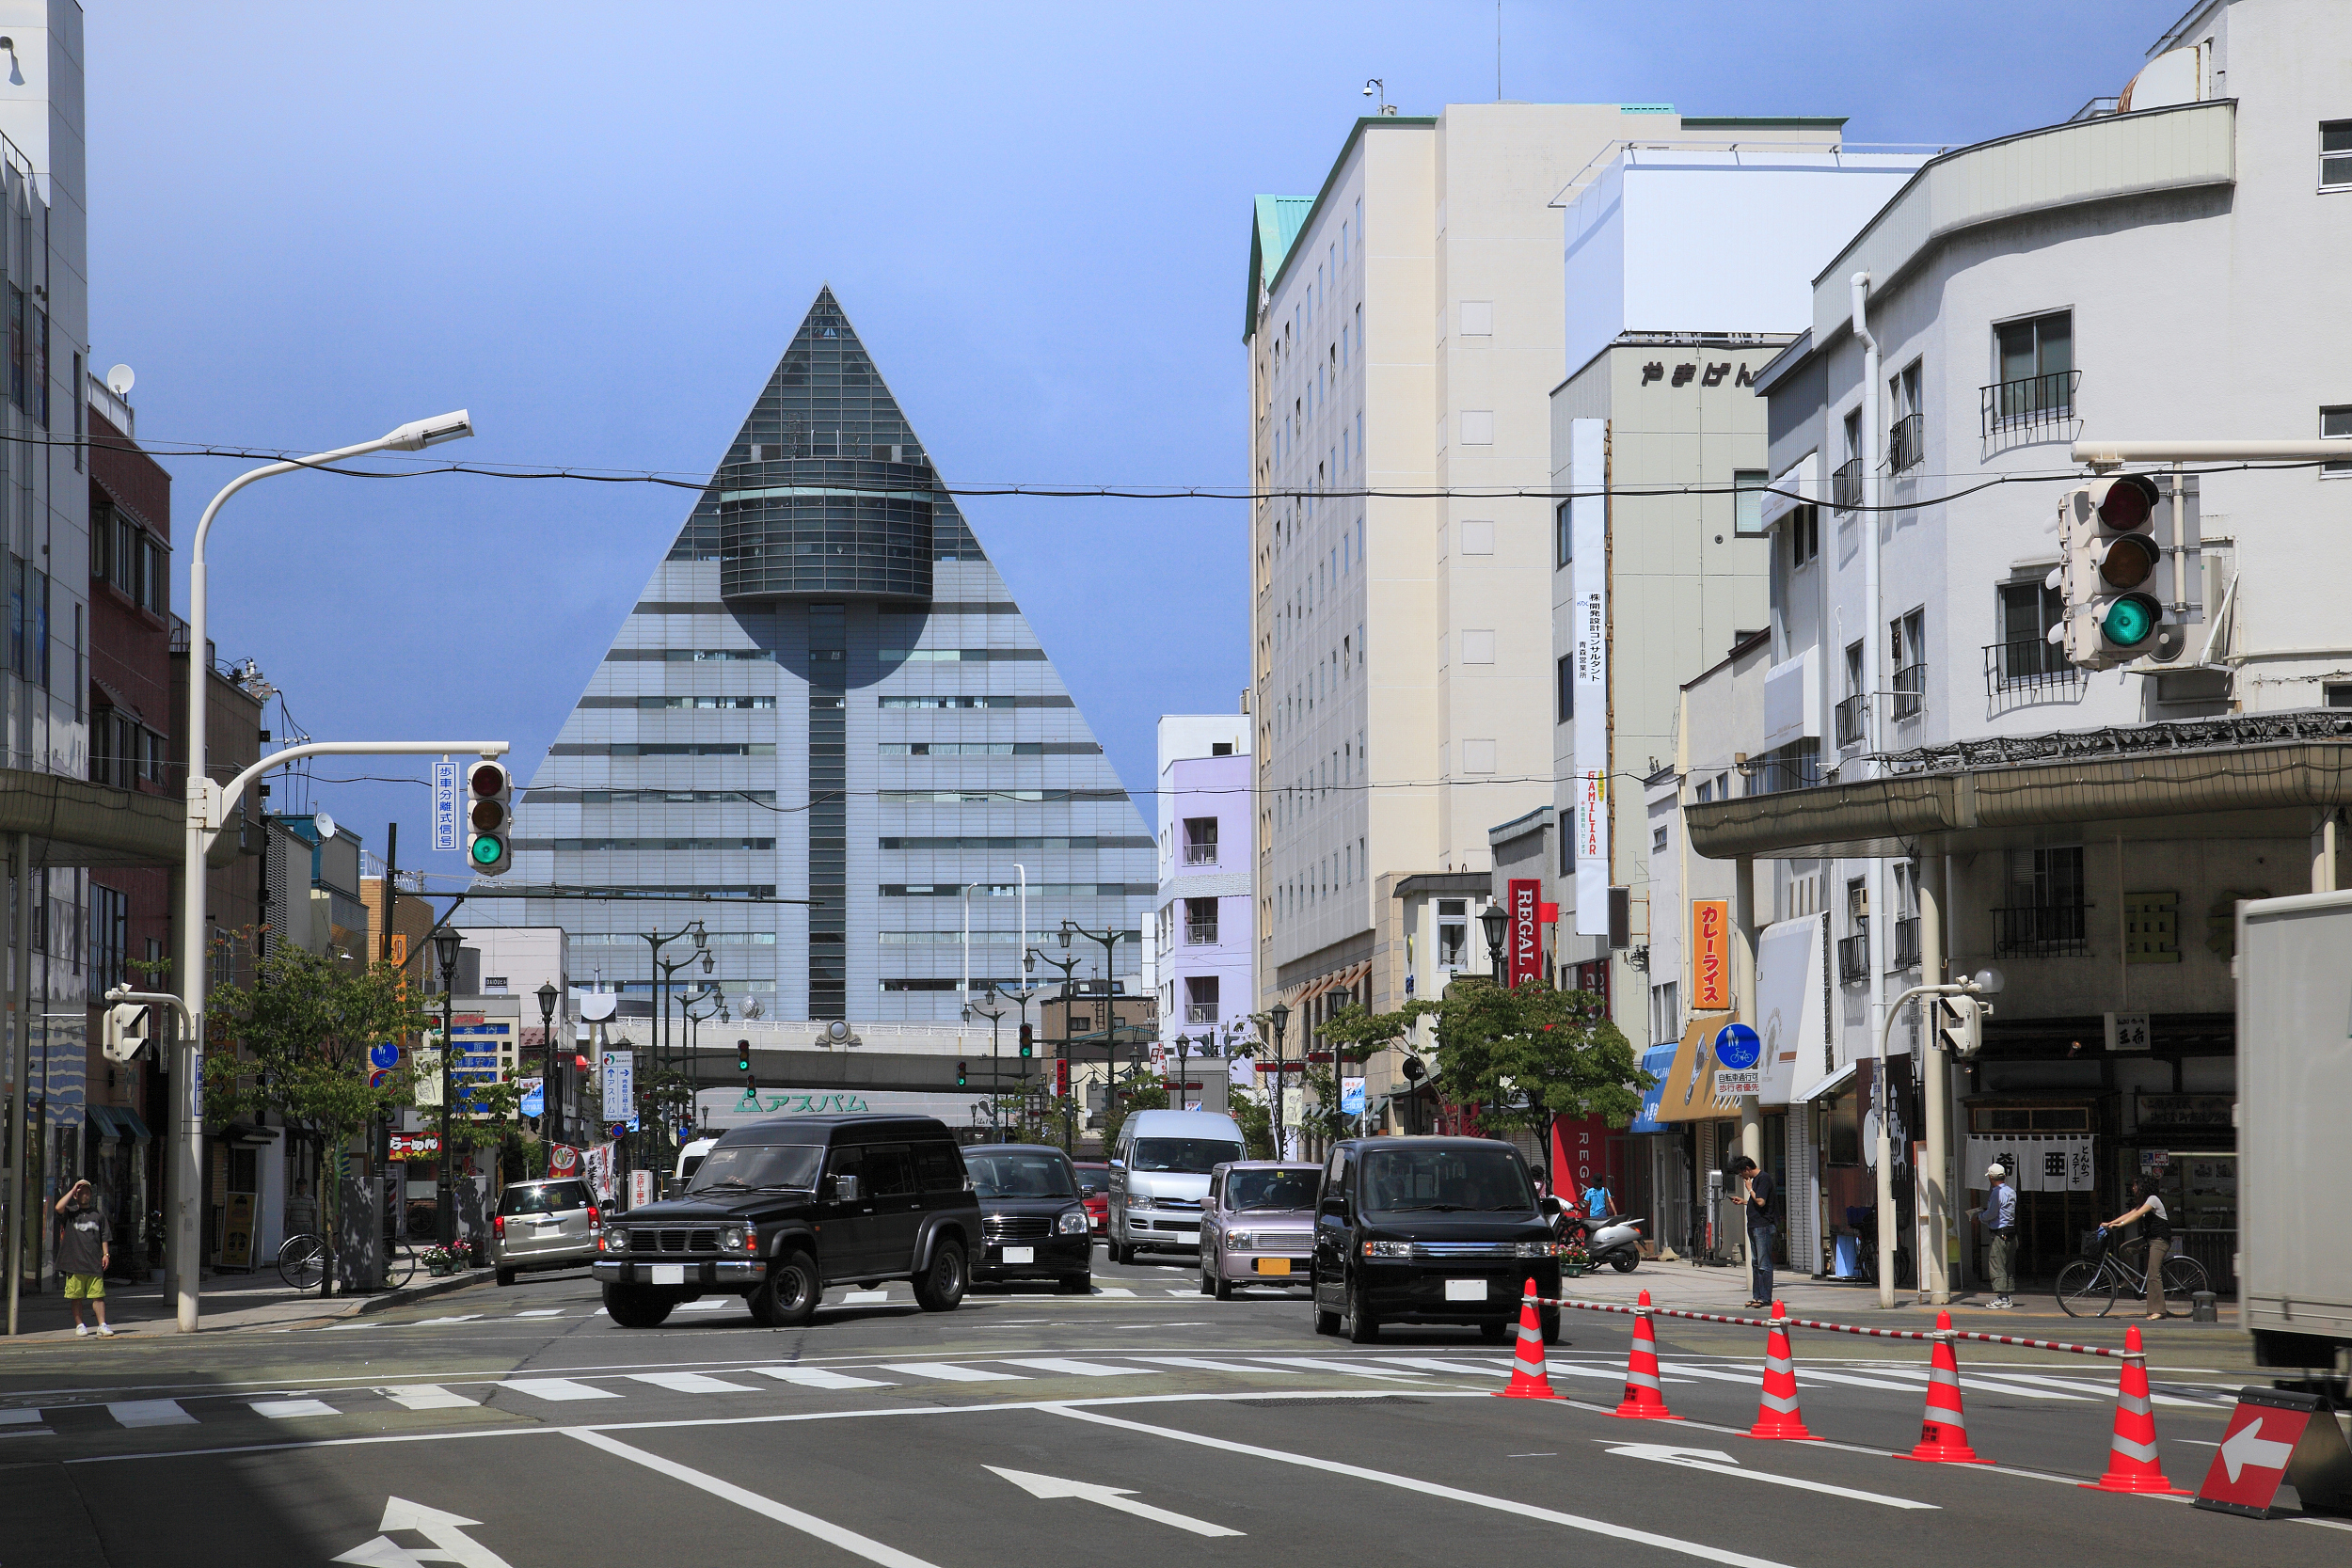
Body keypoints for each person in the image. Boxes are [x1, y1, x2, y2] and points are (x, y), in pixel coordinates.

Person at [2104, 1176, 2173, 1319]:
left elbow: (2137, 1216)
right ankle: (2132, 1278)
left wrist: (2120, 1225)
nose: (2133, 1188)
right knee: (2125, 1249)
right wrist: (2110, 1223)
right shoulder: (2143, 1201)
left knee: (2153, 1274)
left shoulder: (2153, 1199)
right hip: (2149, 1238)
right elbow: (2131, 1213)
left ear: (2142, 1186)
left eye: (2135, 1185)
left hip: (2160, 1240)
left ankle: (2158, 1311)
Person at [53, 1180, 115, 1338]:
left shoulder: (98, 1215)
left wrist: (106, 1254)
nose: (85, 1195)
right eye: (82, 1192)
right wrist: (74, 1188)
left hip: (94, 1262)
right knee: (76, 1296)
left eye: (87, 1192)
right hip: (74, 1263)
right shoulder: (71, 1213)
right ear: (76, 1196)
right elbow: (58, 1207)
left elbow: (104, 1236)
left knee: (98, 1296)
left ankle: (102, 1324)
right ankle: (80, 1325)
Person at [1967, 1164, 2018, 1309]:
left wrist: (1980, 1216)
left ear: (1991, 1177)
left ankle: (2002, 1298)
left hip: (1999, 1233)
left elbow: (1992, 1213)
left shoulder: (1997, 1192)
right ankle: (2007, 1297)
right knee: (2007, 1265)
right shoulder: (2011, 1191)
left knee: (1997, 1265)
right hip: (2011, 1231)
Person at [1731, 1155, 1774, 1308]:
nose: (1742, 1176)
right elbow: (1758, 1201)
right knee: (1755, 1263)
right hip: (1754, 1225)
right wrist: (1744, 1201)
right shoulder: (1756, 1180)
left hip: (1763, 1226)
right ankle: (1757, 1296)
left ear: (1747, 1169)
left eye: (1741, 1173)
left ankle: (1765, 1297)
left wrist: (1750, 1189)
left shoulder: (1763, 1179)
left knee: (1764, 1263)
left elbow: (1761, 1201)